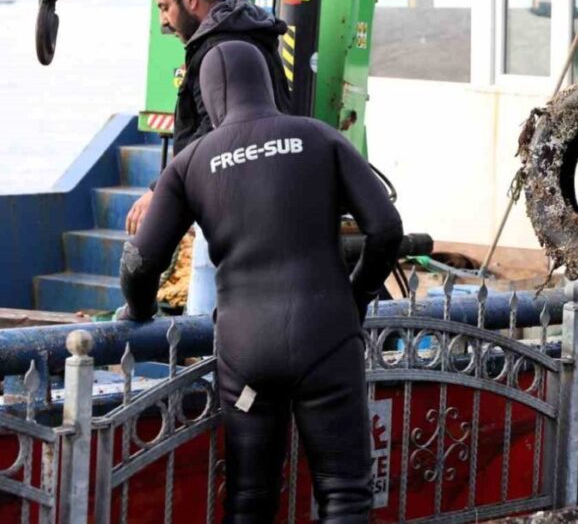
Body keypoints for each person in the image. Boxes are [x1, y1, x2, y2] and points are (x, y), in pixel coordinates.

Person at [116, 41, 403, 521]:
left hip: (245, 346)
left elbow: (142, 263)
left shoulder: (188, 164)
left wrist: (139, 311)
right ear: (268, 83)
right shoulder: (320, 136)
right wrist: (356, 297)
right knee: (346, 493)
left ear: (208, 96)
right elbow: (386, 229)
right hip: (326, 334)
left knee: (250, 498)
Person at [126, 0, 293, 315]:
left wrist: (160, 191)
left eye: (164, 7)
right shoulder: (247, 33)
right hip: (264, 196)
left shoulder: (219, 48)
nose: (163, 22)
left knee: (204, 296)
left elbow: (211, 130)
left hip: (231, 197)